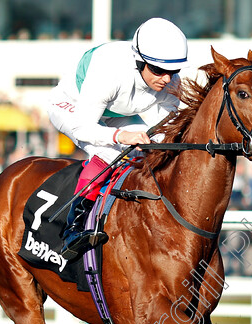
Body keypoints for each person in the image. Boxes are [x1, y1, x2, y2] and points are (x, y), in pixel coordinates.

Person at [47, 17, 190, 259]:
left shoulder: (169, 83)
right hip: (72, 107)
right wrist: (122, 135)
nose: (166, 79)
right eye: (158, 70)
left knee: (149, 147)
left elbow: (166, 132)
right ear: (139, 61)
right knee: (111, 151)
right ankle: (74, 227)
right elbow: (84, 127)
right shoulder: (110, 72)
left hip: (114, 111)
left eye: (172, 71)